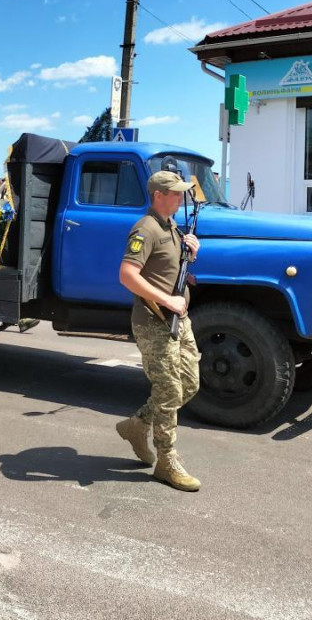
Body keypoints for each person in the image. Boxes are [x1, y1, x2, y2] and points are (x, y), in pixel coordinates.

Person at [116, 171, 202, 492]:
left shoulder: (172, 226)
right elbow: (127, 274)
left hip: (179, 319)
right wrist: (167, 299)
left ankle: (138, 424)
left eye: (181, 194)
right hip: (154, 321)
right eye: (175, 194)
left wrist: (191, 251)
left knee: (189, 384)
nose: (180, 199)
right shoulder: (146, 228)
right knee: (169, 391)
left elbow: (170, 269)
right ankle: (166, 462)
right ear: (158, 195)